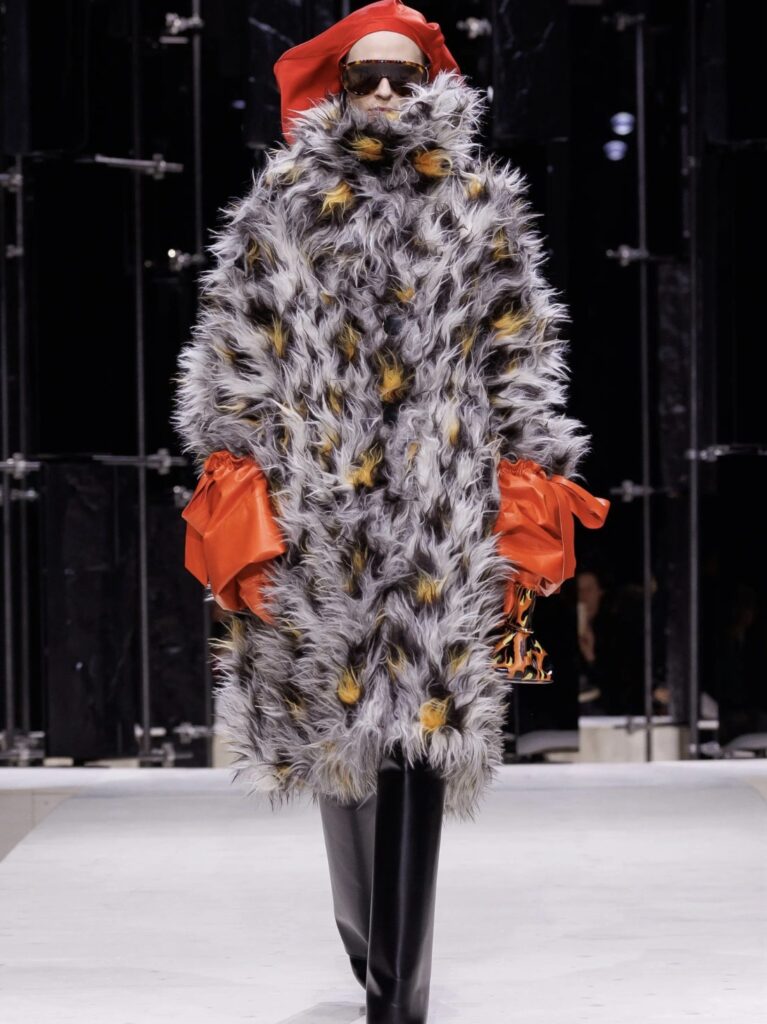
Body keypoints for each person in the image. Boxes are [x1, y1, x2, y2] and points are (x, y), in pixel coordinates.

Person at [171, 3, 609, 1019]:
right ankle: (377, 954)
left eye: (401, 78)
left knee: (421, 731)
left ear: (431, 87)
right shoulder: (281, 205)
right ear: (337, 85)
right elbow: (234, 356)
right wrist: (236, 486)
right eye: (365, 76)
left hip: (440, 508)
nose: (381, 93)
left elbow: (518, 359)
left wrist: (525, 484)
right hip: (313, 507)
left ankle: (394, 997)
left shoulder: (478, 206)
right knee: (339, 743)